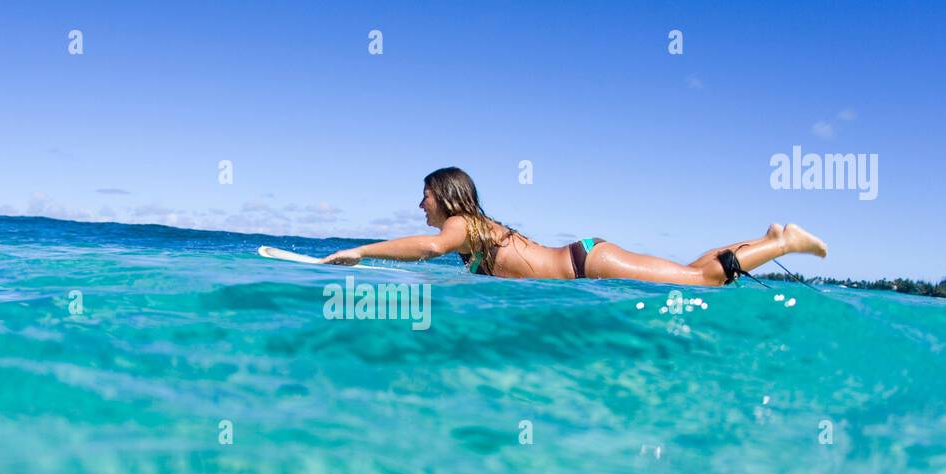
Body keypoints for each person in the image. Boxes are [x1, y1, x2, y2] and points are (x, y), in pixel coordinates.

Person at [322, 167, 827, 285]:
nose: (420, 205)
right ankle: (767, 239)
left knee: (703, 280)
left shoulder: (461, 225)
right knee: (694, 268)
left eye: (425, 196)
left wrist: (363, 252)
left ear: (446, 196)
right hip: (586, 260)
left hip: (590, 261)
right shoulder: (470, 230)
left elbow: (428, 249)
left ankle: (788, 243)